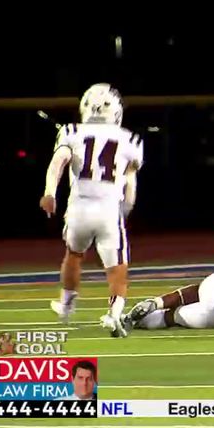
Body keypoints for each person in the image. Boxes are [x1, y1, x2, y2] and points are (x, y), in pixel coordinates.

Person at [41, 83, 144, 338]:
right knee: (117, 265)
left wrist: (50, 192)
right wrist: (126, 210)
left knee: (73, 254)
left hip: (79, 207)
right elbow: (130, 183)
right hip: (109, 208)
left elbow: (58, 162)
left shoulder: (71, 132)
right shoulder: (130, 139)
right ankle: (114, 314)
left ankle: (66, 305)